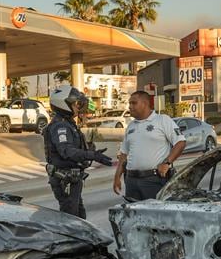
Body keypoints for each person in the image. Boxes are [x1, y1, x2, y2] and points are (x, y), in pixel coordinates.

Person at [42, 85, 113, 218]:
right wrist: (93, 155)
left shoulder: (67, 123)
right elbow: (67, 151)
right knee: (71, 220)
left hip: (71, 179)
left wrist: (89, 150)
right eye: (75, 104)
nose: (77, 107)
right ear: (64, 105)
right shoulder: (60, 126)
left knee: (80, 217)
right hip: (65, 180)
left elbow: (73, 148)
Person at [113, 90, 186, 202]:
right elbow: (124, 154)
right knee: (133, 216)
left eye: (134, 103)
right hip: (131, 180)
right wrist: (117, 177)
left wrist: (167, 163)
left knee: (155, 216)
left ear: (145, 104)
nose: (130, 106)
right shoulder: (131, 126)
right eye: (129, 103)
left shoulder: (162, 120)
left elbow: (180, 142)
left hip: (154, 180)